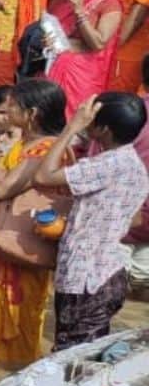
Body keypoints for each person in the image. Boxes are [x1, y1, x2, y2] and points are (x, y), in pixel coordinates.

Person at [33, 93, 149, 346]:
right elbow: (135, 219)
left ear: (103, 129)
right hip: (111, 272)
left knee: (69, 361)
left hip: (86, 277)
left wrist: (71, 128)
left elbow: (42, 177)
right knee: (85, 354)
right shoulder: (136, 166)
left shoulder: (105, 165)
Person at [47, 0, 125, 111]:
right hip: (50, 69)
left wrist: (80, 12)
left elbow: (98, 43)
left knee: (73, 120)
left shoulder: (109, 5)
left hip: (81, 77)